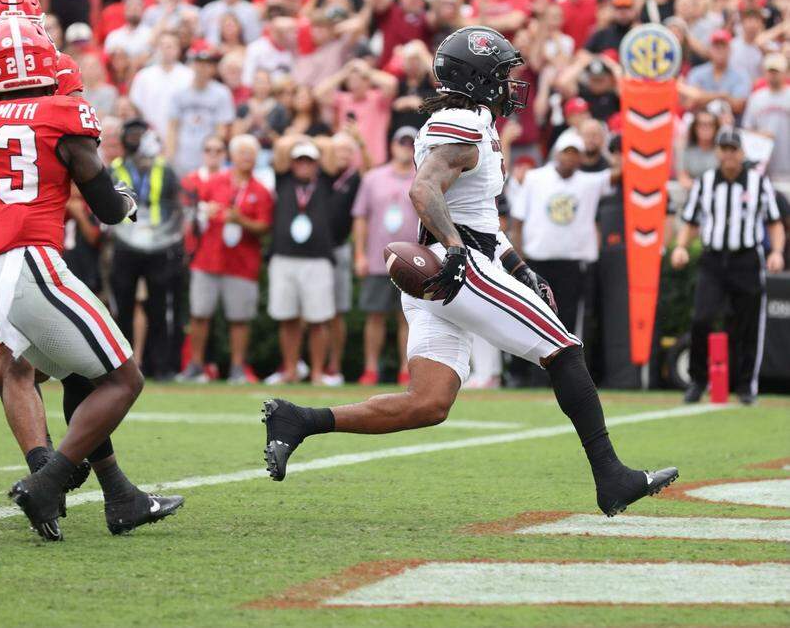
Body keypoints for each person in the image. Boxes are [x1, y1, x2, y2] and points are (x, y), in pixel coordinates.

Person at [263, 26, 678, 519]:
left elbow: (481, 218)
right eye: (502, 74)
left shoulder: (474, 120)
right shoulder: (462, 121)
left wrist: (519, 268)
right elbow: (424, 191)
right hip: (458, 268)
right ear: (479, 78)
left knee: (429, 403)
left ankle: (300, 420)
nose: (510, 84)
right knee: (563, 349)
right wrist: (459, 251)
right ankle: (612, 477)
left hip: (452, 266)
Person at [0, 18, 183, 540]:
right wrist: (124, 202)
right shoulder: (60, 113)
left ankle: (121, 498)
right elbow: (107, 210)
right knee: (123, 380)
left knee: (78, 376)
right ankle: (47, 482)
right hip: (31, 265)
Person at [671, 126, 785, 405]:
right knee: (701, 318)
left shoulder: (758, 183)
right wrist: (682, 247)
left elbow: (774, 222)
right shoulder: (705, 182)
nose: (729, 154)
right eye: (724, 149)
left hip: (746, 258)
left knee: (747, 324)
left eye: (734, 149)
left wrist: (777, 252)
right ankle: (698, 380)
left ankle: (746, 386)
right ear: (718, 152)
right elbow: (691, 221)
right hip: (713, 260)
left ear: (742, 152)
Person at [181, 134, 274, 384]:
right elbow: (193, 209)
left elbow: (265, 227)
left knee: (239, 318)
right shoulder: (214, 182)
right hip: (208, 258)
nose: (246, 157)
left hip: (241, 263)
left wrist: (240, 220)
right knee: (199, 314)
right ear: (231, 156)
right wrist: (205, 211)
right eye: (242, 152)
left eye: (250, 152)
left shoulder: (261, 190)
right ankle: (195, 365)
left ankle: (236, 367)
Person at [511, 129, 618, 342]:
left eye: (575, 153)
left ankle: (562, 372)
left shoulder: (589, 182)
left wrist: (603, 146)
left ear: (581, 158)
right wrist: (518, 259)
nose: (569, 158)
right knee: (535, 320)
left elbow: (621, 172)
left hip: (573, 264)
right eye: (566, 152)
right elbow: (518, 219)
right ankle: (535, 375)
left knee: (567, 323)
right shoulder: (534, 178)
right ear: (556, 153)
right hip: (537, 262)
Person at [108, 118, 186, 380]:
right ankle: (123, 365)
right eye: (132, 134)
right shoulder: (115, 168)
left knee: (159, 306)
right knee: (124, 306)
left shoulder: (164, 168)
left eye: (141, 134)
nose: (137, 139)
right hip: (125, 244)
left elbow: (176, 205)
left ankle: (160, 366)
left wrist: (172, 236)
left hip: (158, 245)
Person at [266, 135, 338, 385]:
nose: (304, 165)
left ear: (316, 164)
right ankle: (290, 370)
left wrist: (310, 142)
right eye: (300, 161)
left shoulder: (326, 182)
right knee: (287, 318)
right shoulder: (283, 180)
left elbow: (329, 147)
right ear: (293, 164)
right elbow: (280, 148)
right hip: (284, 257)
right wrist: (301, 139)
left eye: (309, 161)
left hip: (317, 260)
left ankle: (317, 373)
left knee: (318, 320)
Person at [351, 127, 419, 385]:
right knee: (375, 315)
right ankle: (370, 369)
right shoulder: (372, 178)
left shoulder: (422, 177)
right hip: (378, 258)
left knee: (408, 317)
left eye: (410, 143)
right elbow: (360, 218)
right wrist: (359, 254)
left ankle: (406, 369)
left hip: (413, 262)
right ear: (392, 145)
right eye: (401, 142)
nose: (405, 147)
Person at [165, 43, 236, 175]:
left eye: (207, 64)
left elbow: (222, 130)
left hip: (208, 158)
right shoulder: (179, 92)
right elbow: (172, 127)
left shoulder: (222, 93)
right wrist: (170, 157)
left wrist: (213, 157)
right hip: (183, 156)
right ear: (192, 65)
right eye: (198, 63)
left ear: (213, 68)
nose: (202, 68)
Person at [742, 53, 790, 177]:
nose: (773, 76)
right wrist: (761, 136)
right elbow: (747, 129)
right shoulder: (756, 98)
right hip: (763, 167)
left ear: (785, 73)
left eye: (777, 72)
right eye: (770, 71)